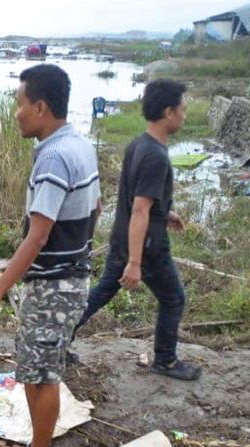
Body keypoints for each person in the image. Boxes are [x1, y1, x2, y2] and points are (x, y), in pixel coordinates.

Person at [0, 64, 100, 447]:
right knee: (40, 369)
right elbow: (95, 208)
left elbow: (37, 236)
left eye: (20, 103)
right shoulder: (79, 144)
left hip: (53, 285)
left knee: (41, 376)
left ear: (40, 107)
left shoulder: (55, 157)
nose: (16, 113)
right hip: (72, 277)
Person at [72, 79, 201, 381]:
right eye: (183, 109)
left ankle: (56, 342)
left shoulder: (139, 143)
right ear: (168, 112)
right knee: (174, 299)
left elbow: (138, 200)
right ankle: (166, 361)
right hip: (146, 245)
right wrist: (135, 261)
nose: (185, 116)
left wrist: (165, 212)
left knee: (102, 292)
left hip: (123, 236)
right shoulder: (155, 155)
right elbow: (140, 209)